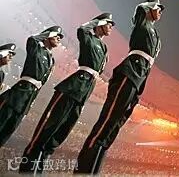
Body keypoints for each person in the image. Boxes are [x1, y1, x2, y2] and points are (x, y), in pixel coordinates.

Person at [76, 0, 163, 174]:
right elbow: (139, 9)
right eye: (157, 8)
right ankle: (82, 169)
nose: (160, 11)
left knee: (114, 126)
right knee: (107, 121)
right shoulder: (142, 23)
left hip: (140, 77)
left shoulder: (155, 33)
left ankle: (93, 170)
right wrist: (98, 22)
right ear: (149, 9)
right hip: (130, 72)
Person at [19, 13, 113, 173]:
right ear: (101, 24)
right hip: (72, 88)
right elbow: (82, 30)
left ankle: (38, 169)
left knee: (61, 133)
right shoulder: (88, 38)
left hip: (84, 92)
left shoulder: (103, 47)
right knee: (49, 128)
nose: (111, 27)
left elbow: (100, 69)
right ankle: (27, 169)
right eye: (108, 23)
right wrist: (97, 21)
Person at [0, 27, 63, 147]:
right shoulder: (36, 49)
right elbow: (32, 39)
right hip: (19, 93)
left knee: (8, 131)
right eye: (56, 35)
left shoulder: (51, 59)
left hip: (30, 97)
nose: (59, 38)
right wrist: (48, 34)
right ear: (48, 36)